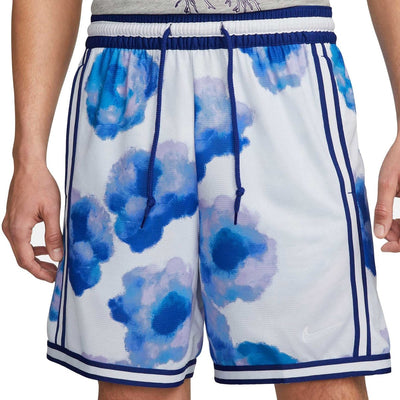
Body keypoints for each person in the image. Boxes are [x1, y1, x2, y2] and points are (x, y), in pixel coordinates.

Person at [3, 0, 400, 399]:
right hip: (127, 73)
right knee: (136, 376)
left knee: (322, 367)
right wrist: (28, 158)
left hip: (284, 68)